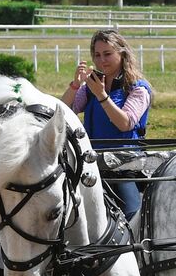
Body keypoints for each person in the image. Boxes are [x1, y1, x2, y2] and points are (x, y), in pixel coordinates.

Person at [61, 29, 152, 218]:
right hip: (90, 163)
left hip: (124, 166)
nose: (102, 60)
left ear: (122, 53)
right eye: (97, 55)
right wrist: (75, 86)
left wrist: (102, 95)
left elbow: (125, 123)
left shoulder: (138, 89)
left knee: (131, 214)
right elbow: (65, 111)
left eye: (108, 54)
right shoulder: (91, 87)